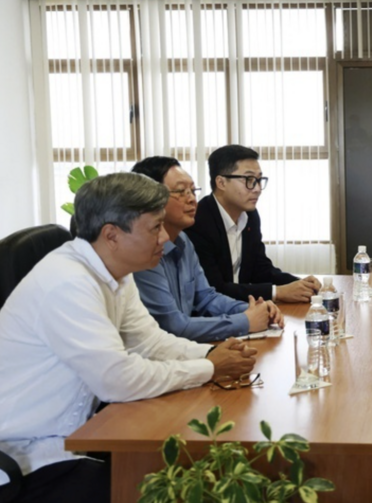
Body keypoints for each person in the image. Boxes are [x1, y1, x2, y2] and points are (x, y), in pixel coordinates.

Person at [0, 172, 258, 503]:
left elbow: (150, 343)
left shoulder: (115, 273)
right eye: (155, 227)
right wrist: (209, 369)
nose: (166, 238)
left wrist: (211, 354)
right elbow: (116, 380)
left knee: (190, 468)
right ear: (112, 235)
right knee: (175, 487)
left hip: (76, 438)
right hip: (26, 459)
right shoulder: (68, 283)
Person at [131, 157, 284, 342]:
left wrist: (253, 309)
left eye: (193, 190)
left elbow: (207, 298)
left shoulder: (183, 240)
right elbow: (172, 325)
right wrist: (245, 321)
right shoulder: (143, 251)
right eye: (181, 191)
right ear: (151, 198)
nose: (191, 199)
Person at [186, 145, 321, 303]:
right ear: (221, 183)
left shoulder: (250, 215)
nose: (257, 189)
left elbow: (260, 269)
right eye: (249, 180)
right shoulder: (199, 221)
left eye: (259, 180)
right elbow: (214, 288)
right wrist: (277, 292)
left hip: (242, 309)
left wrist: (299, 284)